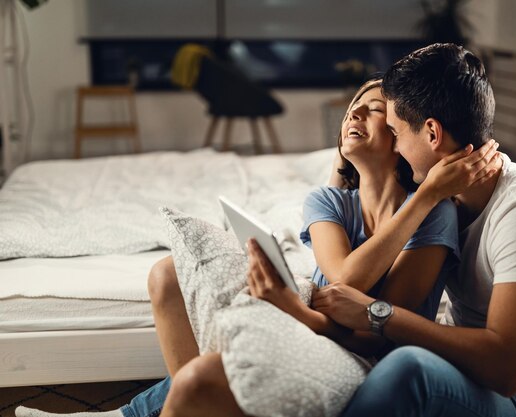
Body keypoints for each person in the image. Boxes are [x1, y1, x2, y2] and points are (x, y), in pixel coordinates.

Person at [15, 77, 475, 417]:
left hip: (358, 349)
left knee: (201, 376)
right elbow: (340, 281)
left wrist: (428, 194)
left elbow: (379, 328)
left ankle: (144, 411)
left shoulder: (433, 212)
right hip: (311, 315)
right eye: (353, 106)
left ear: (401, 135)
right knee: (167, 274)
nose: (354, 113)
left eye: (373, 109)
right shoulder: (329, 199)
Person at [311, 43, 516, 417]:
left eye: (395, 133)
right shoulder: (445, 197)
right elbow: (351, 204)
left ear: (432, 134)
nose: (394, 145)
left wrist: (378, 314)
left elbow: (507, 372)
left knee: (409, 369)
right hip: (467, 375)